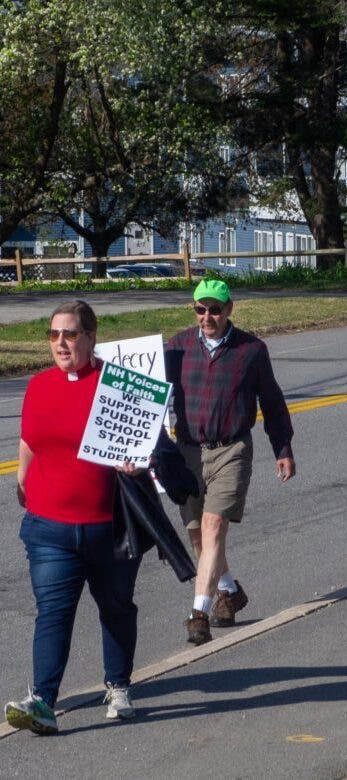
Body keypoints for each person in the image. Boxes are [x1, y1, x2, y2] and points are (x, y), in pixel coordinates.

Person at [6, 301, 142, 734]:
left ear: (91, 336)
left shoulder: (117, 386)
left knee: (116, 607)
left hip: (108, 527)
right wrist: (23, 478)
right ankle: (43, 700)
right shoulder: (39, 385)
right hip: (49, 528)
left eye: (69, 334)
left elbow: (145, 443)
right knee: (53, 612)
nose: (60, 343)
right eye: (53, 335)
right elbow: (30, 438)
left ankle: (118, 686)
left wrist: (136, 462)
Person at [165, 279, 296, 645]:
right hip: (188, 450)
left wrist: (282, 447)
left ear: (229, 309)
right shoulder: (177, 347)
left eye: (215, 309)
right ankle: (229, 591)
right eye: (201, 309)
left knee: (213, 526)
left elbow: (271, 401)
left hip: (231, 449)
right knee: (197, 535)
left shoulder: (251, 350)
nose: (208, 316)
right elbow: (149, 396)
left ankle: (198, 614)